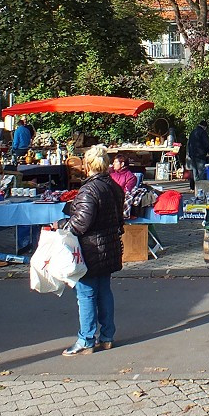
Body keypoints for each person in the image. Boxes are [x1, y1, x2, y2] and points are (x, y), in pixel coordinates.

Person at [62, 144, 125, 355]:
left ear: (88, 165)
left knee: (86, 294)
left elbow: (81, 222)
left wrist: (62, 227)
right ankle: (107, 336)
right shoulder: (113, 186)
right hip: (109, 245)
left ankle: (86, 339)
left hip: (90, 248)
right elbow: (119, 217)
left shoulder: (89, 189)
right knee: (104, 291)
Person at [186, 119, 209, 191]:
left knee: (195, 173)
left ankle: (196, 189)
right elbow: (206, 144)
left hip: (192, 155)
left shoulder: (193, 132)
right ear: (205, 127)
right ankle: (202, 189)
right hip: (200, 155)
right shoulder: (202, 133)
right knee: (201, 173)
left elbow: (189, 144)